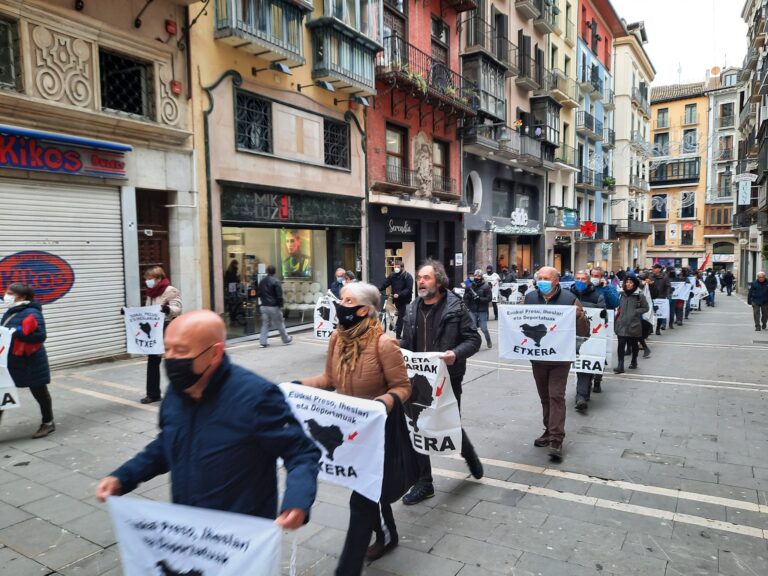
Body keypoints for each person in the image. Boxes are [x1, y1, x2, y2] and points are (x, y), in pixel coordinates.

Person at [95, 310, 320, 529]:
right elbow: (168, 443)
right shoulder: (176, 392)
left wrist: (297, 501)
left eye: (181, 351)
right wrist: (123, 477)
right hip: (190, 527)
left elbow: (301, 452)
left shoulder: (257, 396)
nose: (171, 359)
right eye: (167, 349)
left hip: (241, 532)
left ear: (215, 353)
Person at [299, 282, 411, 573]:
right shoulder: (337, 338)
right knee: (365, 486)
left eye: (347, 300)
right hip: (349, 428)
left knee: (363, 494)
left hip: (378, 429)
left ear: (363, 310)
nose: (340, 304)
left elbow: (403, 387)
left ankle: (374, 545)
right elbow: (329, 380)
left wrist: (381, 403)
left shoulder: (384, 344)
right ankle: (387, 533)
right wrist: (295, 387)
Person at [400, 259, 483, 503]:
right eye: (419, 278)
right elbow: (407, 342)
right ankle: (424, 483)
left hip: (448, 378)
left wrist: (454, 354)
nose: (421, 282)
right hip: (416, 378)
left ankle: (470, 455)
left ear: (439, 280)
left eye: (426, 277)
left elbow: (473, 339)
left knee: (450, 422)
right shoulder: (413, 308)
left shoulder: (456, 307)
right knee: (416, 426)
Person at [524, 267, 587, 461]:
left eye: (546, 278)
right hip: (538, 357)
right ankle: (548, 430)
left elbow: (585, 332)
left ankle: (556, 439)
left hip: (560, 358)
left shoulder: (570, 300)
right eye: (540, 278)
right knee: (545, 397)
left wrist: (579, 317)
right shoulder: (530, 298)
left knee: (556, 396)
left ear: (556, 281)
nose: (542, 281)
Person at [0, 283, 55, 438]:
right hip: (11, 360)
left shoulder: (32, 312)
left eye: (10, 293)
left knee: (39, 392)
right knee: (2, 391)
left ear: (22, 296)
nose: (6, 295)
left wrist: (15, 333)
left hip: (30, 361)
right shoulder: (13, 311)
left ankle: (48, 423)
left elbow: (40, 336)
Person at [140, 266, 181, 404]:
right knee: (152, 361)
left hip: (167, 327)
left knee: (173, 361)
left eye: (150, 279)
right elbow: (147, 311)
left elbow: (178, 308)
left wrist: (168, 309)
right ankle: (152, 394)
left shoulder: (170, 290)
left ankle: (184, 390)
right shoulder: (151, 292)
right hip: (154, 328)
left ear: (158, 278)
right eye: (146, 280)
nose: (147, 282)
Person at [569, 271, 605, 412]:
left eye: (583, 279)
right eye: (577, 279)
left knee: (584, 367)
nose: (580, 281)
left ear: (588, 281)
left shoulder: (597, 296)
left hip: (588, 338)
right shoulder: (568, 295)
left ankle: (581, 397)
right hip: (568, 337)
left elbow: (603, 316)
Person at [614, 275, 649, 374]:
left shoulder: (639, 295)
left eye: (631, 283)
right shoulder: (621, 294)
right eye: (627, 282)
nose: (628, 284)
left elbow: (646, 308)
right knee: (621, 344)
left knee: (634, 345)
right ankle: (620, 365)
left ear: (634, 284)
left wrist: (635, 312)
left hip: (634, 325)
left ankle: (634, 360)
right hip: (621, 324)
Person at [258, 265, 293, 348]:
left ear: (267, 271)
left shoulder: (262, 281)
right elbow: (279, 295)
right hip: (273, 306)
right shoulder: (276, 281)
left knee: (265, 324)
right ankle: (286, 339)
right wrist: (281, 305)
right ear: (275, 272)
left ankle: (263, 342)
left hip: (264, 306)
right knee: (280, 323)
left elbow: (259, 293)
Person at [379, 260, 414, 339]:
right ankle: (396, 325)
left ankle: (398, 337)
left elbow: (408, 289)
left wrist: (399, 294)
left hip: (405, 300)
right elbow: (385, 283)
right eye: (395, 267)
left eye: (398, 267)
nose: (396, 268)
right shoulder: (392, 275)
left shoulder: (407, 276)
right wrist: (378, 289)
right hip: (396, 300)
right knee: (399, 313)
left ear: (402, 267)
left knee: (401, 316)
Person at [464, 269, 493, 349]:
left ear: (481, 277)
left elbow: (489, 298)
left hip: (482, 310)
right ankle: (475, 343)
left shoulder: (486, 286)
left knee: (484, 328)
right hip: (472, 310)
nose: (476, 277)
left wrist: (479, 299)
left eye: (478, 276)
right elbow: (465, 298)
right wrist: (467, 306)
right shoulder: (470, 286)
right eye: (475, 276)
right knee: (473, 328)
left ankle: (488, 340)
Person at [651, 264, 671, 334]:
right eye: (653, 268)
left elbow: (668, 286)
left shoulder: (665, 277)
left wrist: (668, 296)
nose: (653, 269)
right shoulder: (651, 276)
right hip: (651, 297)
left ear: (659, 269)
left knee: (660, 314)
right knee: (650, 314)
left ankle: (657, 328)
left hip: (661, 297)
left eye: (655, 268)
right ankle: (649, 329)